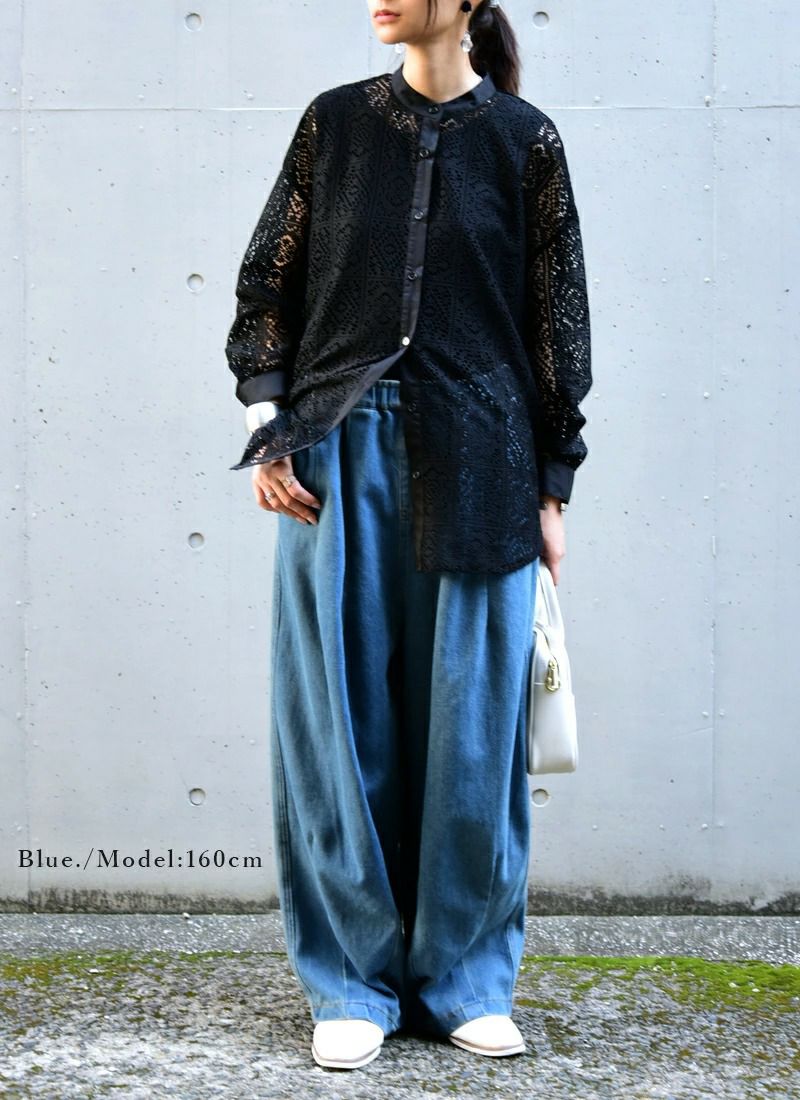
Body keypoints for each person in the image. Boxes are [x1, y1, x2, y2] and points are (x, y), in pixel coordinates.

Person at [225, 0, 592, 1072]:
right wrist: (268, 426)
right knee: (337, 727)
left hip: (483, 457)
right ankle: (351, 979)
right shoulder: (334, 124)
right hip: (336, 454)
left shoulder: (526, 142)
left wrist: (553, 488)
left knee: (472, 733)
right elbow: (267, 285)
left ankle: (465, 977)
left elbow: (557, 321)